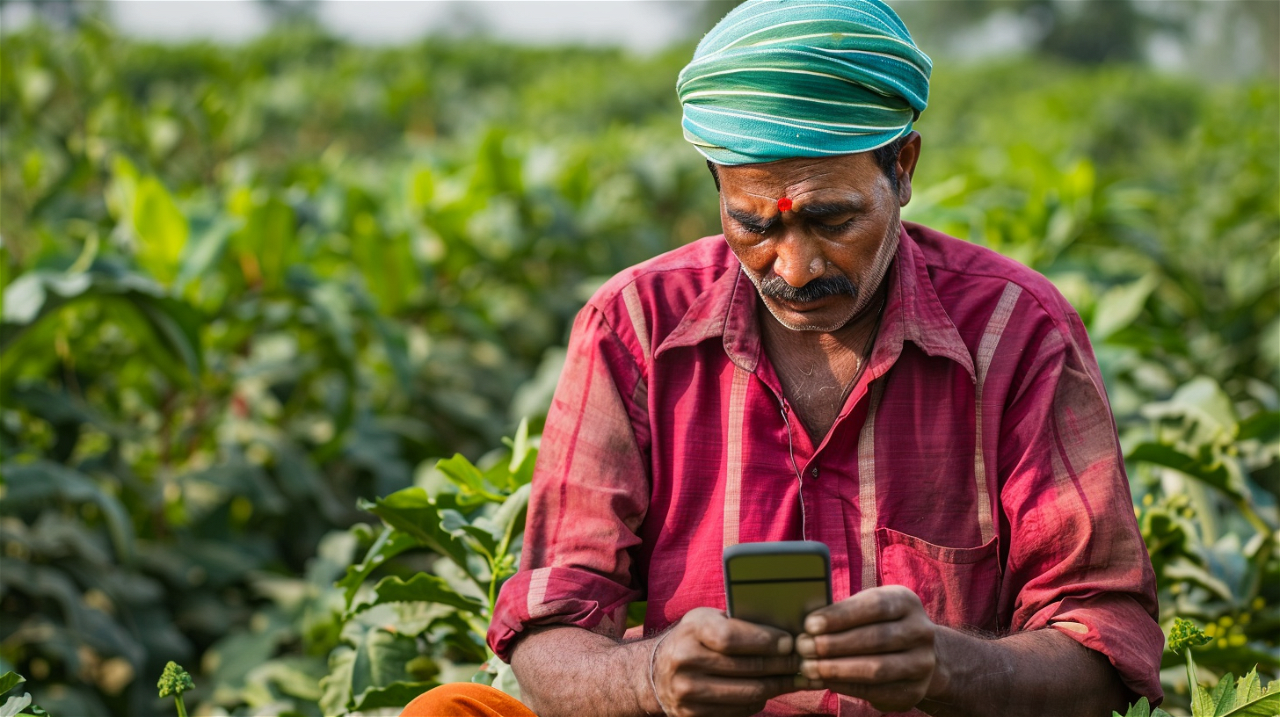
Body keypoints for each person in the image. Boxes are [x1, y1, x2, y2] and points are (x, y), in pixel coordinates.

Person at [402, 1, 1163, 715]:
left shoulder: (1016, 330)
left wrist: (943, 666)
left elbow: (1103, 637)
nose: (794, 269)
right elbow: (550, 623)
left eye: (832, 219)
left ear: (903, 168)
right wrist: (652, 673)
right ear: (716, 189)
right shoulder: (633, 325)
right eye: (753, 222)